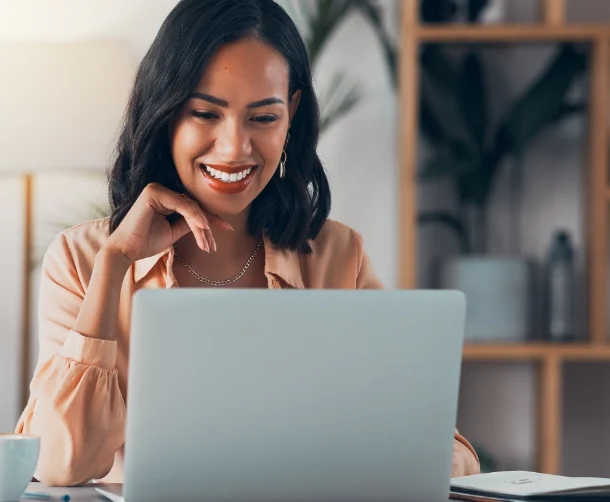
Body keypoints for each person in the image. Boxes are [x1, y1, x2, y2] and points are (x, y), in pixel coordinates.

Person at [15, 0, 479, 486]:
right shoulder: (81, 261)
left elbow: (446, 449)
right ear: (164, 112)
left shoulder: (338, 258)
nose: (235, 147)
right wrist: (115, 263)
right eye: (204, 113)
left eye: (262, 118)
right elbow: (61, 465)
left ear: (291, 114)